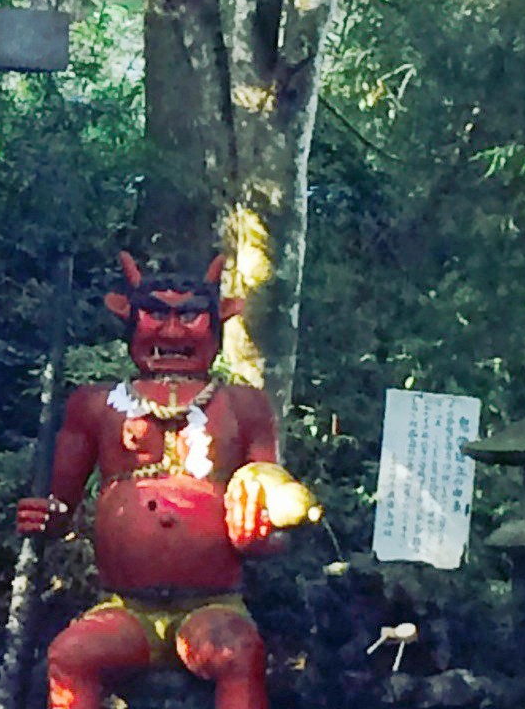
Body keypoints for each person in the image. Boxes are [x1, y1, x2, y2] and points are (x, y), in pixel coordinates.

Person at [17, 253, 318, 709]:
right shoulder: (95, 405)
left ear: (217, 326)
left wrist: (261, 537)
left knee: (240, 654)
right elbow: (62, 506)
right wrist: (46, 515)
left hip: (212, 607)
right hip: (126, 609)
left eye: (189, 316)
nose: (172, 332)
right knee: (70, 655)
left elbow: (271, 516)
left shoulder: (245, 406)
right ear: (129, 322)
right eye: (156, 315)